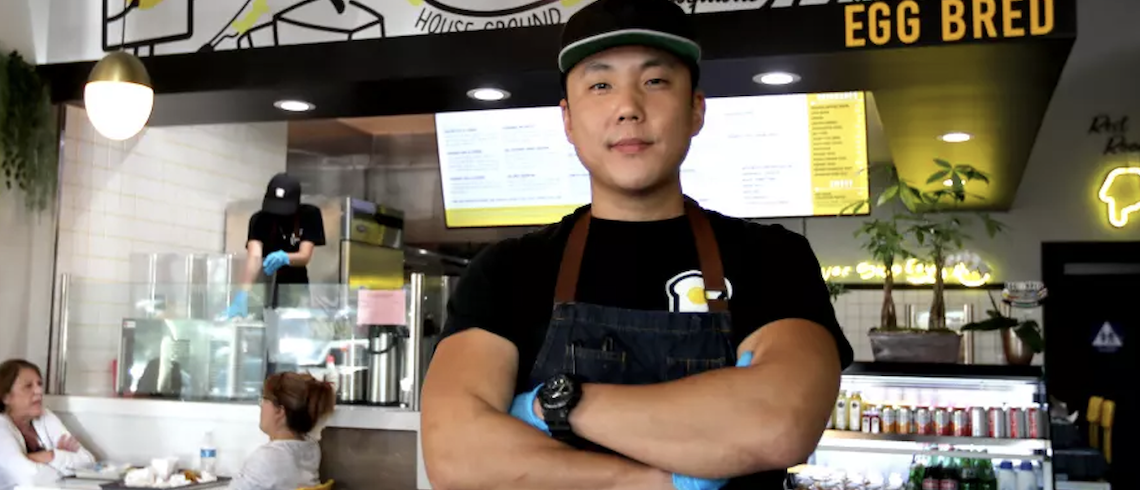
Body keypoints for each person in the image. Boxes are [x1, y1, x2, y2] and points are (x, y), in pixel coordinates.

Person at [420, 0, 854, 489]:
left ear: (695, 109)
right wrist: (654, 483)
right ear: (566, 119)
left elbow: (778, 424)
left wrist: (553, 404)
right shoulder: (506, 272)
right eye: (600, 85)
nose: (628, 107)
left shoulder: (773, 258)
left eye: (655, 81)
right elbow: (456, 456)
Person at [228, 172, 326, 318]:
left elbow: (305, 255)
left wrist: (284, 257)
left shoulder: (309, 216)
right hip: (264, 286)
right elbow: (254, 258)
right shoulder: (259, 220)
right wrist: (243, 293)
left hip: (295, 289)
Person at [228, 372, 335, 490]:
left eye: (264, 400)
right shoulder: (312, 448)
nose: (261, 406)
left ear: (279, 411)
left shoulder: (267, 458)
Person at [0, 360, 96, 490]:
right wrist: (63, 461)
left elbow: (88, 461)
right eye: (28, 386)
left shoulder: (45, 416)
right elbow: (31, 477)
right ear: (6, 397)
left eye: (39, 384)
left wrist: (51, 455)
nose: (38, 390)